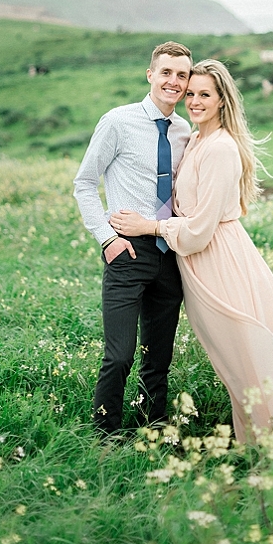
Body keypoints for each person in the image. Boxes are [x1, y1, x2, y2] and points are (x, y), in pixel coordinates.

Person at [108, 59, 273, 445]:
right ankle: (259, 442)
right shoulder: (197, 139)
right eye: (191, 93)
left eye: (204, 95)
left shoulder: (221, 149)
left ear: (222, 101)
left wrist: (149, 226)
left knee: (243, 354)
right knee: (232, 359)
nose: (193, 101)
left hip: (219, 262)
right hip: (200, 263)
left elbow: (198, 230)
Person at [73, 41, 193, 436]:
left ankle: (152, 430)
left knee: (158, 358)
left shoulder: (184, 131)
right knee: (120, 354)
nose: (173, 81)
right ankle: (105, 436)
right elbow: (84, 184)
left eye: (181, 75)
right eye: (166, 73)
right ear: (150, 75)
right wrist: (107, 238)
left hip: (168, 251)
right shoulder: (117, 121)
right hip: (126, 250)